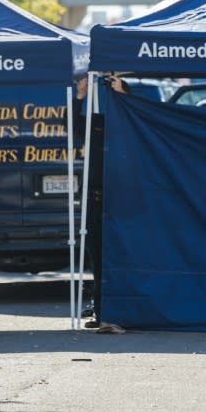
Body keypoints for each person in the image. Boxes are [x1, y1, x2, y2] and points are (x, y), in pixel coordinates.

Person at [71, 75, 131, 328]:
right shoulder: (96, 124)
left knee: (121, 256)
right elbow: (72, 125)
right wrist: (80, 96)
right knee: (97, 256)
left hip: (121, 200)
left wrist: (123, 93)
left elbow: (135, 116)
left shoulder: (130, 125)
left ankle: (122, 309)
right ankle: (100, 310)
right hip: (95, 200)